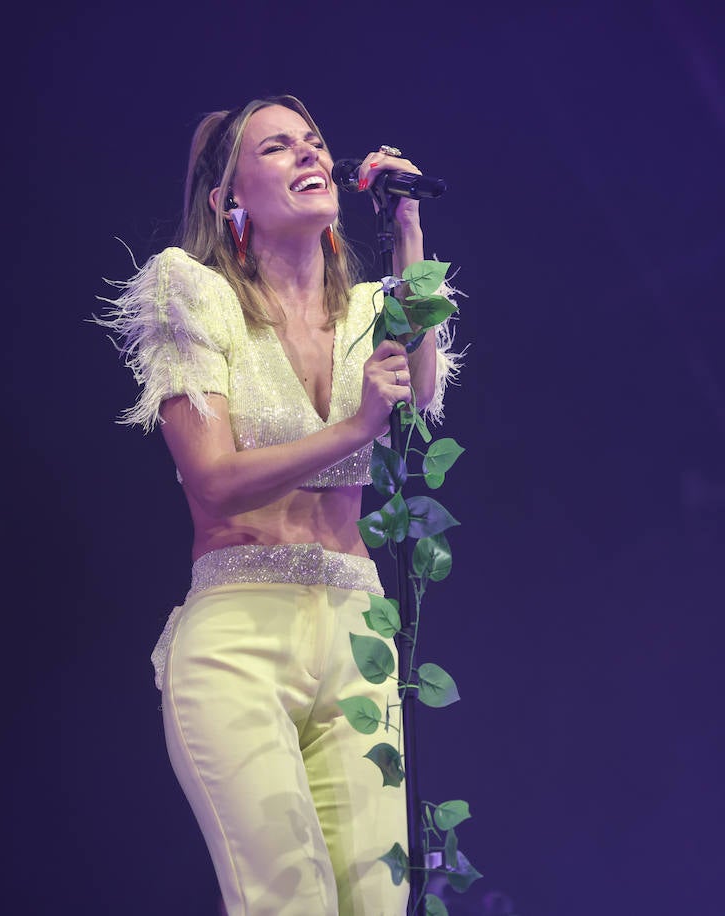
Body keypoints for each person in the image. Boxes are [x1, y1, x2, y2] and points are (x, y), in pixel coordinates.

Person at [98, 95, 460, 915]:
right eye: (277, 149)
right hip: (238, 635)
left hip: (356, 629)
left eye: (316, 143)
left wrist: (407, 230)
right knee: (286, 898)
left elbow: (425, 389)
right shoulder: (193, 295)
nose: (309, 157)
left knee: (376, 902)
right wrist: (354, 427)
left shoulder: (373, 312)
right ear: (230, 198)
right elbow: (214, 479)